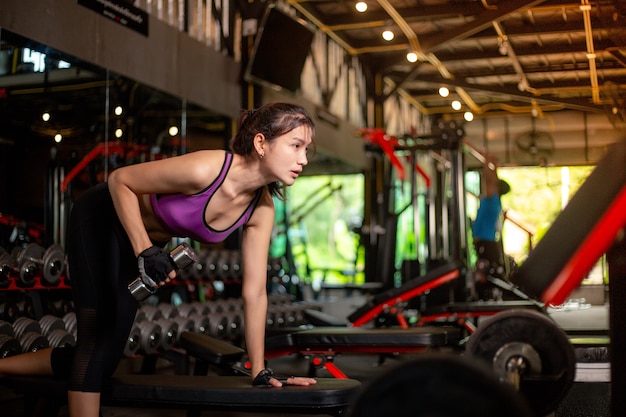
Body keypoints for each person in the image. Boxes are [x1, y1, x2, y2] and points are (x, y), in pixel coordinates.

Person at [0, 102, 318, 416]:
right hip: (101, 217)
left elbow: (255, 292)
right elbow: (120, 181)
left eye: (306, 149)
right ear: (261, 143)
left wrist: (259, 370)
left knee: (107, 358)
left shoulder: (260, 210)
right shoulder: (207, 169)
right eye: (296, 145)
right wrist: (146, 251)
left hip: (141, 243)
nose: (303, 159)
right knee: (95, 344)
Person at [471, 153, 511, 301]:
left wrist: (488, 163)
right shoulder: (493, 201)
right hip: (487, 240)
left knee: (485, 272)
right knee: (488, 270)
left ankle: (486, 297)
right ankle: (488, 296)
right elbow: (492, 181)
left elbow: (490, 181)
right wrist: (493, 166)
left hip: (485, 241)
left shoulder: (492, 199)